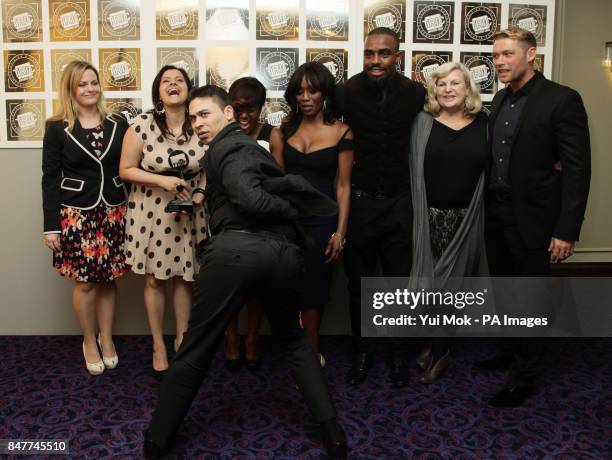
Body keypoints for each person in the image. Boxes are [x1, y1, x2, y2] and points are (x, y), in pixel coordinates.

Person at [143, 85, 347, 459]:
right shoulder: (239, 149)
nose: (197, 123)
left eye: (204, 114)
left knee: (196, 348)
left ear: (228, 115)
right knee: (294, 342)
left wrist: (292, 212)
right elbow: (243, 189)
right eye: (192, 117)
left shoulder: (232, 147)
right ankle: (333, 432)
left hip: (238, 253)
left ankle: (156, 440)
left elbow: (249, 197)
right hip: (283, 256)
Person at [476, 27, 590, 407]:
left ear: (531, 54)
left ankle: (524, 376)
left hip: (536, 220)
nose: (500, 62)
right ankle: (511, 352)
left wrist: (566, 231)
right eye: (495, 56)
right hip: (498, 214)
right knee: (506, 293)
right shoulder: (499, 99)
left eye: (508, 54)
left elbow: (577, 170)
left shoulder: (562, 100)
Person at [342, 27, 425, 387]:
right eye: (370, 53)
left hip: (399, 203)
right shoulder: (344, 92)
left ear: (398, 56)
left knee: (398, 284)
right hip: (359, 204)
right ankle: (362, 350)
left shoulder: (416, 92)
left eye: (384, 53)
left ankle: (396, 352)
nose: (376, 60)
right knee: (357, 284)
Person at [119, 65, 207, 380]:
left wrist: (198, 195)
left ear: (188, 89)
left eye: (179, 80)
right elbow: (126, 169)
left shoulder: (201, 123)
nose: (173, 85)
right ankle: (158, 344)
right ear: (158, 90)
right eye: (166, 81)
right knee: (155, 280)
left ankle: (182, 339)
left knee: (185, 278)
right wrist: (164, 182)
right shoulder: (142, 125)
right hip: (152, 213)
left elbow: (208, 167)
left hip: (188, 212)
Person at [42, 61, 129, 375]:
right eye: (82, 84)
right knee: (86, 283)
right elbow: (50, 177)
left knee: (108, 279)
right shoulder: (56, 127)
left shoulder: (118, 122)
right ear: (71, 89)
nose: (90, 88)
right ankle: (89, 340)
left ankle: (107, 338)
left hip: (114, 209)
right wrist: (51, 226)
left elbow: (129, 164)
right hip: (76, 213)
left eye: (94, 82)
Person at [409, 62, 488, 383]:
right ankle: (437, 346)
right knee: (431, 287)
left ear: (468, 88)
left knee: (451, 289)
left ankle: (439, 350)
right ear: (434, 90)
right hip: (429, 218)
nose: (448, 89)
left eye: (456, 83)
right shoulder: (422, 123)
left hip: (467, 219)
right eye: (441, 84)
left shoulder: (485, 123)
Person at [270, 62, 353, 365]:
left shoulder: (342, 132)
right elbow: (276, 185)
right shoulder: (280, 134)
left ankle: (310, 356)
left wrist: (340, 233)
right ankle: (299, 350)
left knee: (314, 290)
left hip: (323, 222)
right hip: (290, 222)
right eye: (299, 91)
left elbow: (343, 186)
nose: (305, 97)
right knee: (289, 289)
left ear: (324, 94)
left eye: (312, 90)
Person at [222, 77, 272, 370]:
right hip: (227, 219)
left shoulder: (272, 135)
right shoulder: (221, 134)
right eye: (237, 107)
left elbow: (279, 178)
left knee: (257, 287)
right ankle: (231, 340)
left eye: (250, 108)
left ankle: (251, 339)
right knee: (228, 286)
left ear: (261, 108)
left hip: (261, 219)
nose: (243, 115)